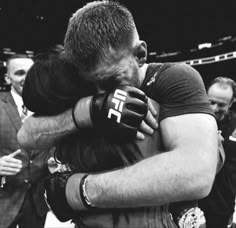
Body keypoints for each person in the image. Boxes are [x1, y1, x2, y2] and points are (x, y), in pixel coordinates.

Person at [17, 1, 219, 227]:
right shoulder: (90, 83)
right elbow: (26, 135)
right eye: (90, 85)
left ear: (140, 54)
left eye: (112, 80)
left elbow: (195, 175)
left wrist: (78, 190)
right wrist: (90, 110)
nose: (102, 92)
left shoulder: (173, 79)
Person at [0, 54, 52, 228]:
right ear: (8, 77)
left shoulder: (49, 107)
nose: (27, 78)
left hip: (36, 203)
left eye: (30, 72)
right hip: (4, 200)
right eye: (20, 73)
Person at [199, 77, 236, 228]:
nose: (214, 108)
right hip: (193, 204)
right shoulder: (193, 122)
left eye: (221, 105)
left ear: (232, 103)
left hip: (222, 207)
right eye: (211, 102)